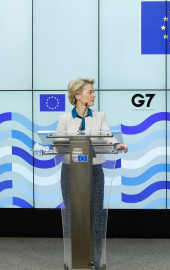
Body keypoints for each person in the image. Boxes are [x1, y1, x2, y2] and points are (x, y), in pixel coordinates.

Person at [57, 78, 128, 270]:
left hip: (94, 170)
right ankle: (76, 261)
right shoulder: (65, 119)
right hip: (70, 171)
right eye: (90, 92)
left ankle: (95, 262)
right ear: (77, 95)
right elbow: (59, 145)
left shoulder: (99, 116)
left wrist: (116, 144)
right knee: (74, 216)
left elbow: (107, 135)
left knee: (95, 215)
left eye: (93, 92)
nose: (94, 95)